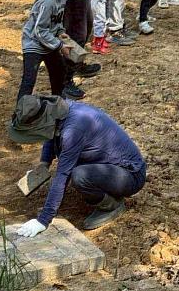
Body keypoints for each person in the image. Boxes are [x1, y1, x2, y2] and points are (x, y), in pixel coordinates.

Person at [9, 95, 146, 233]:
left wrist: (43, 220)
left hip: (130, 175)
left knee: (79, 175)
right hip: (109, 167)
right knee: (76, 174)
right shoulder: (58, 111)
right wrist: (44, 164)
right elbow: (49, 136)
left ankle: (112, 205)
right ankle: (104, 191)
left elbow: (63, 175)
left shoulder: (73, 131)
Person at [16, 0, 83, 102]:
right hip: (34, 44)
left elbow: (57, 18)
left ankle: (58, 105)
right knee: (29, 80)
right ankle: (20, 115)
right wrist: (59, 45)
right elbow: (39, 30)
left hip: (49, 42)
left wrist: (60, 31)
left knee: (59, 72)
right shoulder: (47, 2)